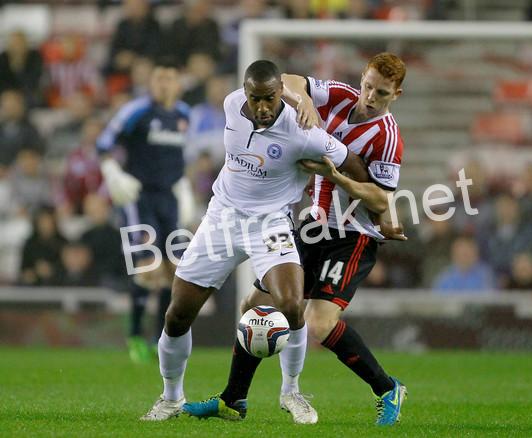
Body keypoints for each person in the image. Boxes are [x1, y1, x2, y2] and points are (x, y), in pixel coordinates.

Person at [141, 60, 368, 422]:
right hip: (222, 218)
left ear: (280, 94)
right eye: (255, 98)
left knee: (291, 305)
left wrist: (363, 192)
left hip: (270, 224)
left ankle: (291, 393)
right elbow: (272, 90)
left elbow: (353, 163)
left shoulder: (304, 132)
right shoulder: (232, 104)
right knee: (178, 313)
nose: (262, 106)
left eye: (269, 98)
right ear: (244, 93)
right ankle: (171, 398)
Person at [237, 52, 409, 426]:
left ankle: (387, 389)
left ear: (395, 94)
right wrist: (303, 101)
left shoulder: (388, 138)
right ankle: (233, 399)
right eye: (368, 86)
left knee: (319, 322)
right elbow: (288, 80)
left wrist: (336, 176)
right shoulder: (339, 95)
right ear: (362, 78)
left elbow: (381, 199)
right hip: (313, 227)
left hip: (352, 235)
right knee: (254, 304)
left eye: (381, 92)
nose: (370, 97)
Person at [96, 61, 195, 363]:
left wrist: (183, 186)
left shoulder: (183, 114)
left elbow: (178, 156)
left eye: (170, 78)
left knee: (173, 270)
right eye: (159, 78)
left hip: (169, 197)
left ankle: (159, 339)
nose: (164, 83)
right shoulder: (135, 111)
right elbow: (104, 143)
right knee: (148, 267)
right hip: (139, 197)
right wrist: (112, 171)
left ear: (178, 84)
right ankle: (136, 336)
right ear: (151, 83)